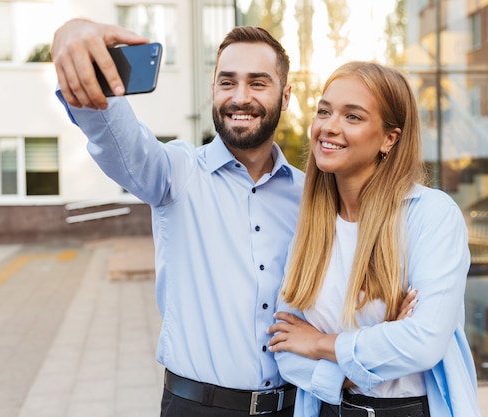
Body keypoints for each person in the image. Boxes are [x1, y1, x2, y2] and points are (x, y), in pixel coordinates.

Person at [51, 19, 304, 416]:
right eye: (227, 82)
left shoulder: (310, 196)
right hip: (198, 408)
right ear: (213, 90)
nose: (240, 97)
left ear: (285, 96)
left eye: (258, 83)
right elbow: (118, 140)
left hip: (295, 406)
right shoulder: (176, 171)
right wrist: (72, 37)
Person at [267, 61, 482, 417]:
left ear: (389, 138)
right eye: (324, 111)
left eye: (353, 117)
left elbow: (423, 343)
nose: (329, 127)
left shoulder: (430, 215)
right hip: (328, 409)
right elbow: (286, 347)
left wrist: (320, 343)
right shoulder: (311, 226)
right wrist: (361, 363)